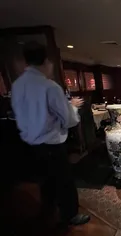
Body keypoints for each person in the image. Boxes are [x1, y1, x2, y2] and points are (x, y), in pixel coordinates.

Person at [12, 42, 90, 226]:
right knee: (64, 182)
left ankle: (47, 212)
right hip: (51, 144)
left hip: (28, 145)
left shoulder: (17, 85)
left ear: (26, 62)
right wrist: (72, 106)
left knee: (44, 180)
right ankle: (70, 215)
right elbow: (69, 120)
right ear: (47, 62)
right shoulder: (49, 87)